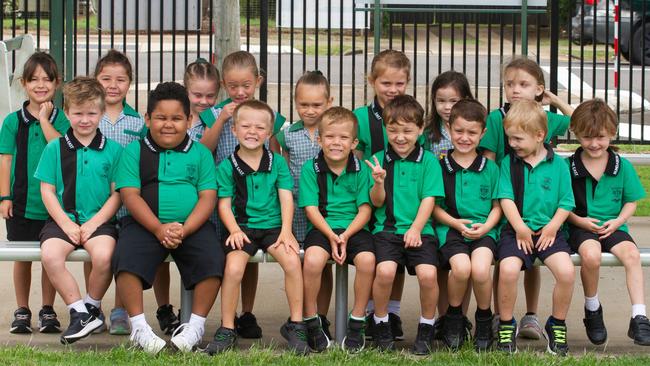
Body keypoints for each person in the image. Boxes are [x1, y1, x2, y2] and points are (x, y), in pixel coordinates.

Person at [112, 82, 223, 354]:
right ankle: (139, 328)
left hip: (191, 226)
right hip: (145, 224)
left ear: (188, 120)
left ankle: (194, 328)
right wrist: (159, 228)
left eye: (176, 118)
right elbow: (130, 195)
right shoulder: (134, 151)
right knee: (124, 260)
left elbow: (207, 197)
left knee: (213, 260)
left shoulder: (200, 153)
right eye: (160, 118)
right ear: (147, 119)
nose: (168, 125)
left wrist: (184, 229)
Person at [480, 57, 574, 340]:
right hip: (507, 201)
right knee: (507, 263)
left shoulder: (543, 119)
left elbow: (577, 121)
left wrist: (552, 99)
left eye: (523, 84)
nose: (515, 90)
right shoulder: (497, 118)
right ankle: (501, 317)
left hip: (541, 212)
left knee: (533, 266)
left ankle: (532, 315)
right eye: (509, 84)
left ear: (538, 88)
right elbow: (490, 159)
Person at [208, 100, 307, 355]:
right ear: (234, 130)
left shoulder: (278, 163)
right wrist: (234, 230)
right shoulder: (227, 166)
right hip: (242, 227)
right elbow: (224, 205)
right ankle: (227, 327)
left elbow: (286, 197)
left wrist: (286, 231)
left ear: (269, 132)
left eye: (260, 127)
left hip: (274, 227)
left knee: (293, 262)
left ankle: (296, 325)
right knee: (233, 268)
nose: (252, 132)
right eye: (246, 126)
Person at [199, 51, 286, 338]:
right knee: (230, 258)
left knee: (251, 260)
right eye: (233, 86)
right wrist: (222, 120)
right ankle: (228, 316)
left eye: (246, 86)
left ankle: (247, 313)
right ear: (224, 84)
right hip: (224, 199)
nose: (239, 92)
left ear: (257, 82)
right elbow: (203, 150)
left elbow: (274, 154)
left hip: (257, 201)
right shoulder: (214, 113)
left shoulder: (264, 114)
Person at [36, 77, 122, 344]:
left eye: (91, 113)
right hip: (63, 221)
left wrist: (94, 223)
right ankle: (78, 312)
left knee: (105, 256)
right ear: (67, 113)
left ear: (102, 112)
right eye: (78, 113)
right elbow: (47, 191)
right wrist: (67, 224)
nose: (85, 120)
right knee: (50, 256)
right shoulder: (55, 148)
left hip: (99, 221)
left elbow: (117, 194)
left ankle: (92, 306)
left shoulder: (114, 150)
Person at [567, 99, 650, 346]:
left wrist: (617, 222)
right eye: (587, 137)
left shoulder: (621, 166)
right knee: (591, 255)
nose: (594, 144)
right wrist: (579, 220)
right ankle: (592, 309)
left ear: (613, 133)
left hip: (613, 226)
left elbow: (631, 202)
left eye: (601, 137)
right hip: (579, 226)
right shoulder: (567, 167)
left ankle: (639, 316)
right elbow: (561, 206)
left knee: (632, 255)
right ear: (576, 134)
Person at [495, 100, 575, 355]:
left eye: (518, 138)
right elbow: (505, 198)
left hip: (549, 231)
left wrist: (553, 227)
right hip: (516, 231)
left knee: (566, 273)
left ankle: (557, 324)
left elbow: (566, 202)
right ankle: (506, 325)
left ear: (540, 135)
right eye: (510, 138)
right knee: (507, 270)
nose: (512, 144)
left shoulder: (559, 165)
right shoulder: (509, 163)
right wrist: (519, 227)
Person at [366, 95, 443, 354]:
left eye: (408, 131)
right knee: (386, 271)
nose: (400, 137)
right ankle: (380, 322)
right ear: (385, 128)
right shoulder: (378, 159)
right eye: (393, 130)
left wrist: (416, 228)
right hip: (386, 231)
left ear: (420, 130)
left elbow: (429, 199)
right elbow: (376, 203)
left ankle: (426, 326)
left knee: (428, 274)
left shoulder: (429, 161)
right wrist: (378, 183)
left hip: (421, 230)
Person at [0, 51, 69, 334]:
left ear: (57, 83)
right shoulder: (12, 122)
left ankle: (48, 310)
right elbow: (4, 159)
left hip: (53, 205)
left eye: (47, 80)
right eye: (34, 80)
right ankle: (22, 309)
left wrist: (44, 120)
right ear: (23, 83)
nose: (41, 85)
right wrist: (4, 197)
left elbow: (62, 147)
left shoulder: (62, 119)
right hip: (21, 202)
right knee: (22, 258)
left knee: (49, 257)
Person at [300, 107, 375, 353]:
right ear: (319, 139)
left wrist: (345, 235)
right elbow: (311, 208)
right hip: (323, 227)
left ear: (354, 142)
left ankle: (357, 321)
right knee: (312, 261)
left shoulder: (362, 169)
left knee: (367, 260)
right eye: (330, 137)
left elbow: (365, 209)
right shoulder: (310, 168)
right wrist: (332, 235)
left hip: (354, 228)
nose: (336, 143)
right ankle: (311, 319)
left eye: (343, 138)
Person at [433, 99, 500, 351]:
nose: (464, 137)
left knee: (481, 270)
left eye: (472, 132)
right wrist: (455, 223)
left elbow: (498, 206)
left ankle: (483, 318)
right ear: (449, 129)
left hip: (484, 230)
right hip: (450, 229)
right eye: (459, 131)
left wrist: (486, 227)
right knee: (460, 269)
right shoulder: (438, 166)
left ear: (482, 133)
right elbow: (434, 207)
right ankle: (454, 318)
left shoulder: (491, 168)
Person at [353, 49, 411, 341]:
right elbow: (354, 160)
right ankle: (371, 313)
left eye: (399, 84)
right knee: (375, 259)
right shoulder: (361, 118)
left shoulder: (410, 115)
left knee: (395, 259)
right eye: (386, 83)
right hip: (370, 197)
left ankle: (392, 312)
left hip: (401, 201)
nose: (393, 90)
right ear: (372, 82)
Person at [93, 49, 149, 335]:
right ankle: (93, 308)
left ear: (130, 83)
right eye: (106, 78)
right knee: (96, 256)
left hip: (126, 203)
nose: (113, 85)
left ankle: (119, 310)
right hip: (94, 201)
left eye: (121, 79)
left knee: (121, 254)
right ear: (95, 80)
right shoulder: (90, 116)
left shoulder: (137, 122)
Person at [275, 70, 334, 338]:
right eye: (303, 105)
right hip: (297, 209)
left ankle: (321, 318)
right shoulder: (288, 135)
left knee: (324, 264)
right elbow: (283, 168)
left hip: (327, 209)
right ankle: (299, 318)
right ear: (295, 102)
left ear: (329, 102)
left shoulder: (332, 133)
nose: (310, 111)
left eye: (317, 105)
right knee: (298, 267)